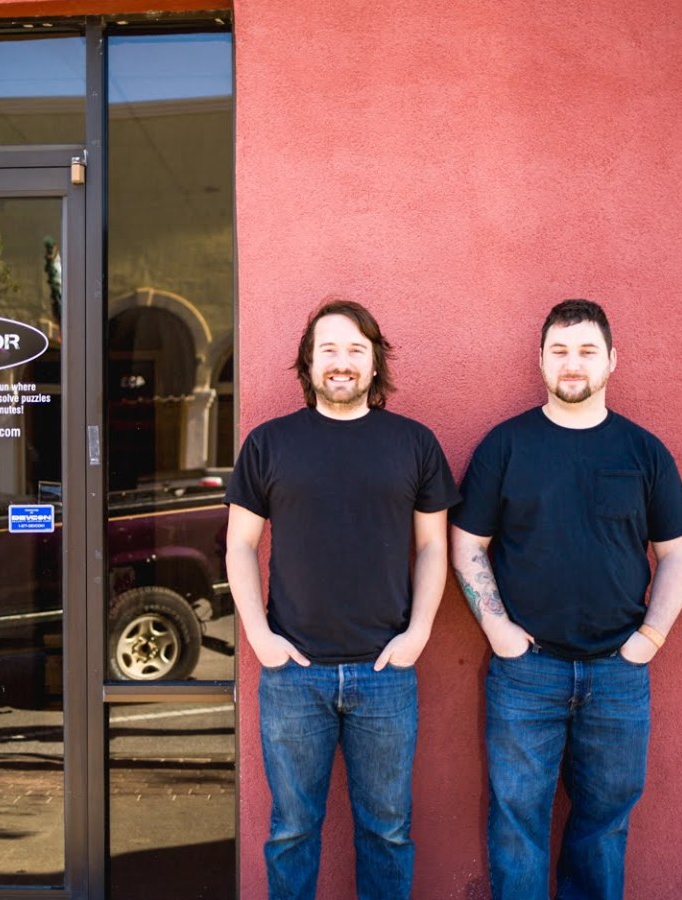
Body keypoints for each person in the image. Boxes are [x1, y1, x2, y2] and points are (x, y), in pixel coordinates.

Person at [451, 298, 682, 900]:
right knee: (517, 825)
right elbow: (466, 546)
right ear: (540, 360)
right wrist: (499, 632)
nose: (572, 363)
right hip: (526, 673)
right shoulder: (505, 446)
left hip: (619, 671)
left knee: (604, 826)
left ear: (612, 360)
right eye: (559, 350)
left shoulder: (643, 452)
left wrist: (650, 640)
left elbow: (679, 556)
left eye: (587, 350)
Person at [225, 298, 459, 900]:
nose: (342, 362)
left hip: (386, 674)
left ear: (375, 363)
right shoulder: (268, 444)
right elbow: (239, 547)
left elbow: (434, 546)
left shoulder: (414, 443)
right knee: (291, 833)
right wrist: (261, 638)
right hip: (293, 676)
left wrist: (418, 636)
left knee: (387, 832)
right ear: (308, 362)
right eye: (328, 348)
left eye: (356, 349)